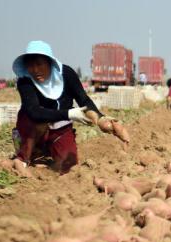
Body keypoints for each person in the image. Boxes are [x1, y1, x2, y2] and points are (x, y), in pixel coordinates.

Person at [11, 40, 104, 175]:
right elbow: (34, 112)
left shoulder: (66, 74)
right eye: (30, 65)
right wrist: (69, 114)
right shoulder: (25, 81)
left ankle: (47, 153)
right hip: (32, 129)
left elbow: (83, 99)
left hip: (60, 129)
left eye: (39, 64)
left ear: (49, 62)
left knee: (68, 166)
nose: (35, 70)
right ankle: (23, 158)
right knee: (32, 120)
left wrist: (101, 118)